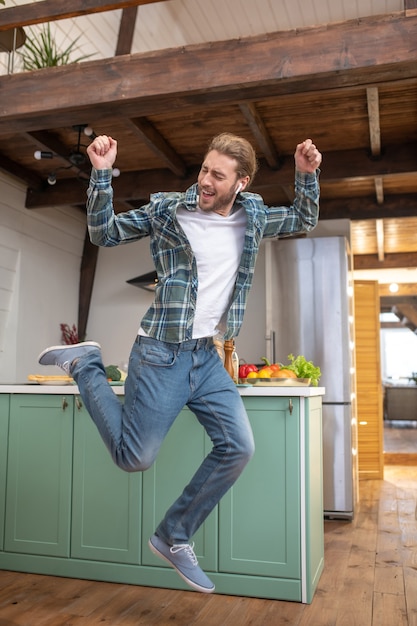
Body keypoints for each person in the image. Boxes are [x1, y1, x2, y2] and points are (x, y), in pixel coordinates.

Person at [38, 132, 322, 594]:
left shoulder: (252, 217)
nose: (206, 181)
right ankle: (87, 364)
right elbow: (102, 232)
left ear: (241, 183)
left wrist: (306, 175)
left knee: (239, 447)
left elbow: (304, 217)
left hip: (205, 357)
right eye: (205, 169)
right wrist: (102, 174)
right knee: (135, 458)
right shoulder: (168, 209)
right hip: (160, 353)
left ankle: (174, 535)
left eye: (218, 175)